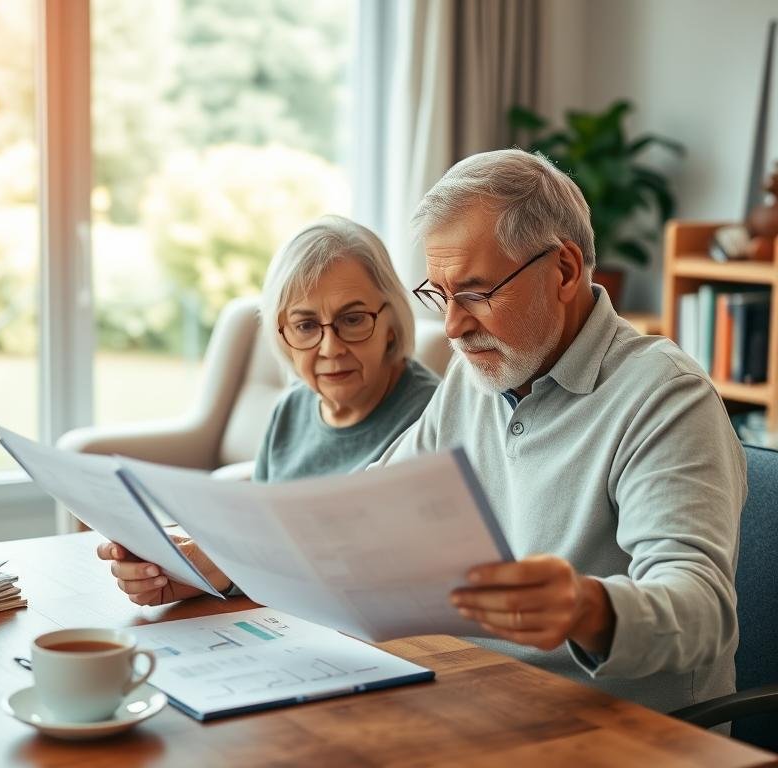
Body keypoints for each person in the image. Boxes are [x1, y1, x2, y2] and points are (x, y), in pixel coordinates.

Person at [373, 148, 744, 715]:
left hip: (612, 730)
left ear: (565, 270)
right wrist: (237, 553)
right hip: (476, 698)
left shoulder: (666, 397)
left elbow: (702, 610)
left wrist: (586, 608)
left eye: (475, 293)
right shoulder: (479, 372)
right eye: (440, 294)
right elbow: (373, 501)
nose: (453, 326)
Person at [97, 215, 440, 603]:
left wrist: (222, 563)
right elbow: (264, 561)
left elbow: (396, 572)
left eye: (353, 319)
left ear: (392, 321)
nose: (330, 348)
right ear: (283, 334)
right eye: (306, 325)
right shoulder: (291, 409)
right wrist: (195, 579)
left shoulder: (435, 417)